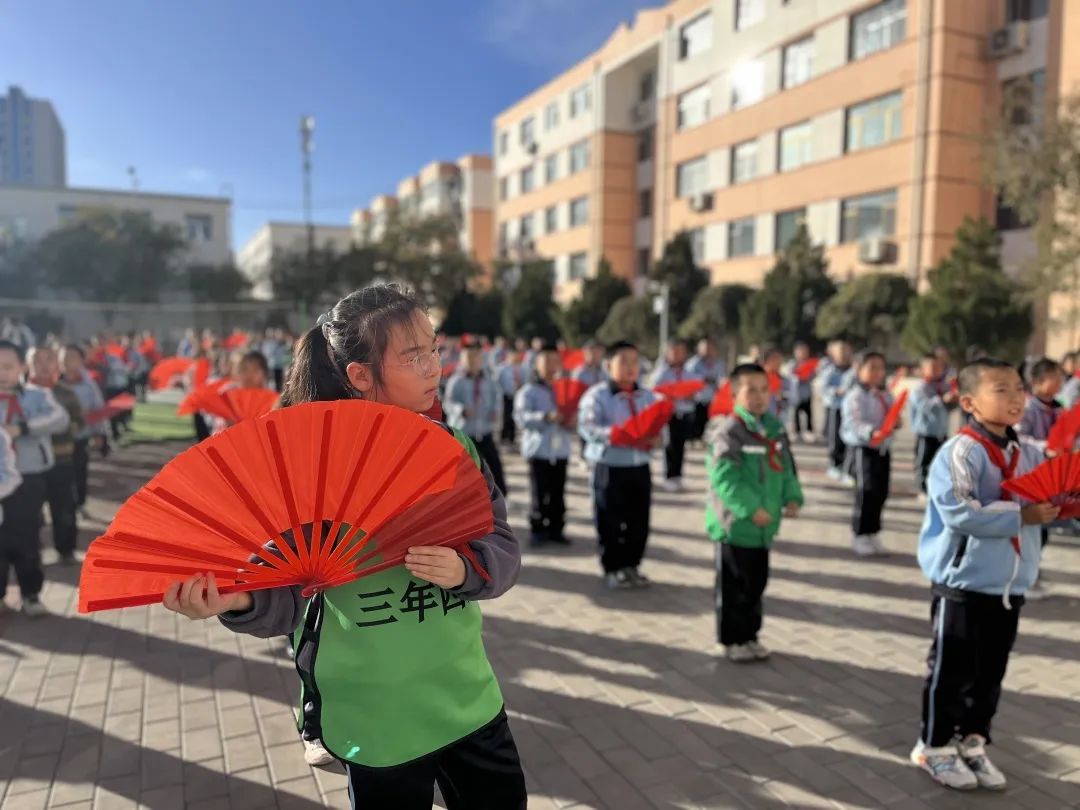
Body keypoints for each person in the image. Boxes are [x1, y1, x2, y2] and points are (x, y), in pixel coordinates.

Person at [162, 284, 527, 809]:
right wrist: (235, 599)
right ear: (360, 376)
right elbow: (286, 596)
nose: (432, 367)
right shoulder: (309, 472)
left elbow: (503, 547)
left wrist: (468, 567)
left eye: (433, 349)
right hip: (376, 719)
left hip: (469, 697)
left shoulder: (454, 448)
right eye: (412, 356)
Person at [911, 358, 1059, 792]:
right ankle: (934, 747)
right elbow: (961, 511)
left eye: (1019, 389)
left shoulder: (1027, 450)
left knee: (990, 673)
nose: (1015, 398)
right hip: (963, 585)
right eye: (1002, 389)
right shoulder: (960, 452)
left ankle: (973, 742)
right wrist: (1022, 514)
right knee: (950, 672)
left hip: (1010, 586)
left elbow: (1051, 489)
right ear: (970, 402)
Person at [705, 363, 803, 663]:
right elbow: (724, 478)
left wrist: (792, 496)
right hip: (736, 527)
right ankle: (732, 639)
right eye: (751, 390)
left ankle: (751, 635)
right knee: (733, 587)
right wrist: (750, 508)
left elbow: (786, 467)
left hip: (764, 528)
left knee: (756, 584)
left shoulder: (773, 428)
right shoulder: (729, 431)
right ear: (735, 393)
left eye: (765, 390)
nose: (760, 397)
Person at [579, 341, 663, 589]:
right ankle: (613, 568)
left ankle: (632, 566)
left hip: (639, 467)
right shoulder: (597, 396)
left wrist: (657, 439)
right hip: (609, 466)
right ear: (608, 365)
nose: (630, 367)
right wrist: (617, 434)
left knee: (639, 520)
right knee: (610, 519)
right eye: (623, 361)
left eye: (635, 362)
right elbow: (588, 427)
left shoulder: (648, 397)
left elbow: (660, 429)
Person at [0, 340, 70, 617]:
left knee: (26, 535)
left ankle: (31, 594)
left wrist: (23, 428)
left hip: (28, 479)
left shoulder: (37, 396)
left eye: (8, 366)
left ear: (21, 367)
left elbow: (60, 418)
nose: (2, 373)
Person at [1014, 357, 1064, 599]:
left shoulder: (1058, 407)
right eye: (1055, 377)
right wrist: (1045, 446)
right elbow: (1021, 439)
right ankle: (1023, 575)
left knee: (1043, 529)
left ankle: (1032, 570)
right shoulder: (1028, 409)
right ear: (1037, 382)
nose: (1060, 382)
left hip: (1053, 477)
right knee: (1032, 527)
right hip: (1033, 475)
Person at [28, 346, 84, 564]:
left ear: (55, 364)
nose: (42, 366)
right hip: (29, 466)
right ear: (28, 365)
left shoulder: (66, 394)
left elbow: (78, 423)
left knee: (64, 509)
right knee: (29, 513)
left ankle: (66, 549)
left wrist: (48, 428)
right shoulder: (18, 396)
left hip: (61, 460)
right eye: (37, 361)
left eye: (48, 360)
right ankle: (31, 551)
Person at [514, 347, 573, 547]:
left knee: (558, 492)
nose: (550, 366)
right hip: (539, 450)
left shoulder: (565, 389)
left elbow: (577, 415)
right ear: (536, 365)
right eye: (545, 362)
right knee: (539, 493)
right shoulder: (529, 391)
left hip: (561, 450)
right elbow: (521, 418)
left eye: (554, 361)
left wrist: (571, 420)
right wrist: (545, 417)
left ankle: (557, 529)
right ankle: (538, 529)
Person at [841, 350, 893, 557]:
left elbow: (891, 414)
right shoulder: (855, 395)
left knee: (881, 492)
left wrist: (894, 422)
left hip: (882, 449)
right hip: (863, 449)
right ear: (859, 369)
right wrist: (872, 431)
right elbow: (854, 422)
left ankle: (873, 532)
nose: (877, 373)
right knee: (866, 491)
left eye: (880, 368)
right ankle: (860, 534)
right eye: (871, 367)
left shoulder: (884, 394)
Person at [445, 343, 507, 496]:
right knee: (464, 474)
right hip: (465, 435)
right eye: (469, 357)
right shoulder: (456, 381)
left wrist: (495, 413)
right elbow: (448, 403)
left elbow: (497, 400)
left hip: (485, 433)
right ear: (462, 359)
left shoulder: (489, 381)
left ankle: (496, 500)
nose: (473, 361)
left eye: (476, 357)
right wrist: (461, 410)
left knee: (494, 471)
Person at [59, 344, 108, 516]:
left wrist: (99, 433)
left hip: (80, 437)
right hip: (57, 439)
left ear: (81, 361)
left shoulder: (88, 385)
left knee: (79, 471)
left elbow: (98, 409)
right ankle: (62, 504)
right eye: (63, 357)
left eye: (72, 357)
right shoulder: (53, 383)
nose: (66, 361)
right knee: (60, 474)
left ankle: (80, 502)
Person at [649, 339, 699, 492]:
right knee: (669, 445)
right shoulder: (661, 372)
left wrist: (689, 395)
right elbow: (654, 391)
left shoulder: (688, 372)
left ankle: (678, 475)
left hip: (684, 413)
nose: (678, 355)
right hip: (668, 413)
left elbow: (695, 392)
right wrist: (669, 396)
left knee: (680, 444)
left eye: (681, 351)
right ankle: (669, 476)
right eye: (674, 351)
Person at [909, 353, 956, 500]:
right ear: (923, 369)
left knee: (941, 462)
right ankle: (923, 489)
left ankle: (936, 488)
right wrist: (941, 400)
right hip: (925, 433)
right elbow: (924, 406)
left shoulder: (944, 386)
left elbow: (949, 407)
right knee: (924, 463)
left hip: (941, 432)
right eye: (932, 367)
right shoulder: (920, 388)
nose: (936, 370)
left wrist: (952, 400)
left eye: (939, 367)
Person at [818, 340, 855, 485]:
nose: (844, 355)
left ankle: (847, 466)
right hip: (835, 408)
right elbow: (823, 389)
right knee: (835, 437)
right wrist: (836, 391)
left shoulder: (854, 370)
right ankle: (835, 464)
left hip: (850, 410)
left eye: (846, 351)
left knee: (848, 438)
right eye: (840, 352)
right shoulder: (830, 371)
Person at [686, 338, 725, 442]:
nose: (708, 351)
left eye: (710, 348)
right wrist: (703, 380)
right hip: (697, 400)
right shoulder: (693, 364)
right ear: (699, 349)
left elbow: (722, 380)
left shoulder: (719, 363)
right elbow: (688, 379)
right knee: (696, 426)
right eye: (705, 348)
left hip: (713, 400)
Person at [783, 342, 814, 442]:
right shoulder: (792, 364)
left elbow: (813, 375)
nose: (802, 354)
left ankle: (809, 431)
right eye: (800, 352)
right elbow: (789, 376)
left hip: (806, 393)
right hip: (795, 393)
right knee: (795, 413)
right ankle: (796, 431)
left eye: (805, 352)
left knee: (808, 412)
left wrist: (806, 376)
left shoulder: (809, 364)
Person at [496, 349, 527, 447]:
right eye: (513, 355)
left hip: (517, 396)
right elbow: (496, 383)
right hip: (505, 396)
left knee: (514, 417)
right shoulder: (502, 368)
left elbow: (525, 381)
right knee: (505, 417)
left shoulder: (521, 368)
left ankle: (512, 438)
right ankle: (504, 437)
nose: (515, 358)